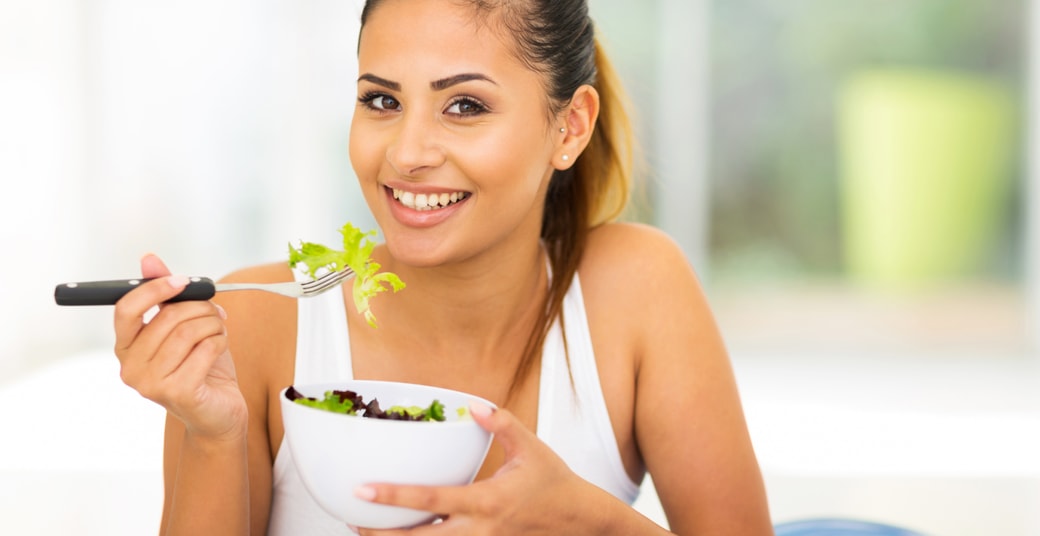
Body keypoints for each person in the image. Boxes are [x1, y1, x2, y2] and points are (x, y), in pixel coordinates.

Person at [112, 0, 774, 534]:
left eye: (465, 106)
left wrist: (591, 524)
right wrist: (211, 432)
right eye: (382, 100)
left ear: (570, 128)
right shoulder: (254, 316)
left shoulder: (635, 291)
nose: (407, 153)